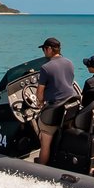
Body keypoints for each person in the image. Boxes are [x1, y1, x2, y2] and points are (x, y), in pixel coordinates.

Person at [33, 36, 78, 166]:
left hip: (54, 112)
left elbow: (39, 93)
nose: (44, 52)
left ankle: (41, 168)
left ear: (49, 49)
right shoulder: (69, 63)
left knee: (44, 139)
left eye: (44, 49)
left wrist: (40, 104)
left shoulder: (46, 68)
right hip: (69, 109)